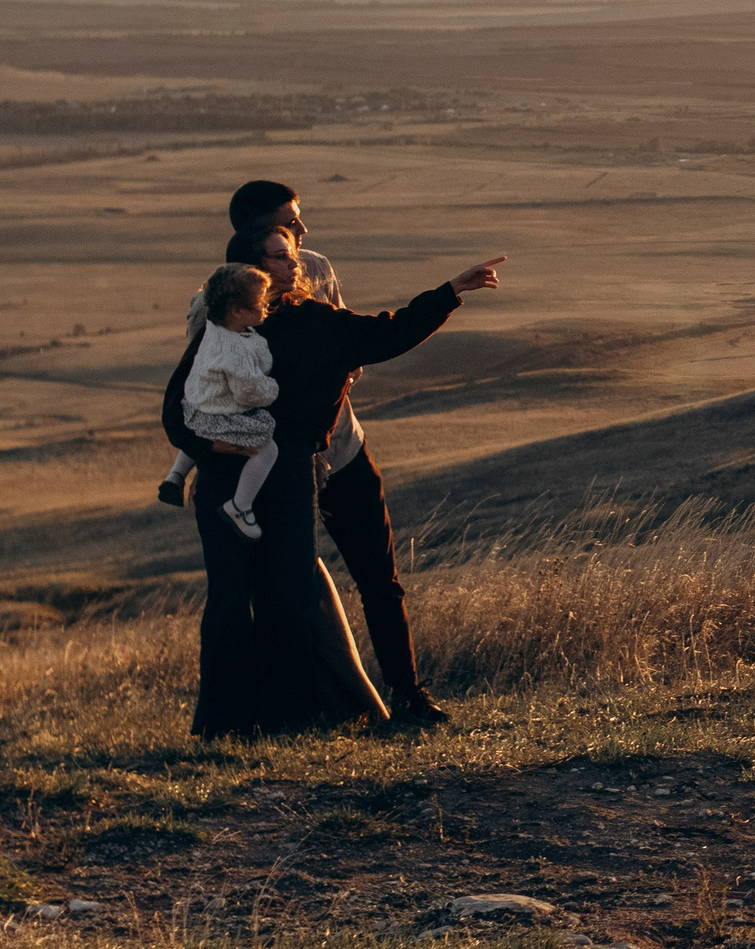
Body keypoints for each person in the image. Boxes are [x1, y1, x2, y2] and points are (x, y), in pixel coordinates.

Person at [163, 223, 505, 737]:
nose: (293, 264)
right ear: (250, 270)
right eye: (279, 257)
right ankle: (220, 726)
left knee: (289, 595)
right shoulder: (223, 330)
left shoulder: (315, 320)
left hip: (289, 478)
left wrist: (451, 290)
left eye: (290, 255)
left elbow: (387, 333)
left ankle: (288, 721)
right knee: (230, 601)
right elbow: (176, 412)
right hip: (225, 480)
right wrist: (216, 448)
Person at [167, 264, 283, 539]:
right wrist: (272, 388)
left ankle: (176, 474)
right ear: (237, 311)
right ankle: (240, 506)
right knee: (267, 449)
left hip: (200, 409)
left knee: (200, 429)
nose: (266, 307)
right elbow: (247, 392)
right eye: (259, 303)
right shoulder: (234, 353)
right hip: (221, 414)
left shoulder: (215, 329)